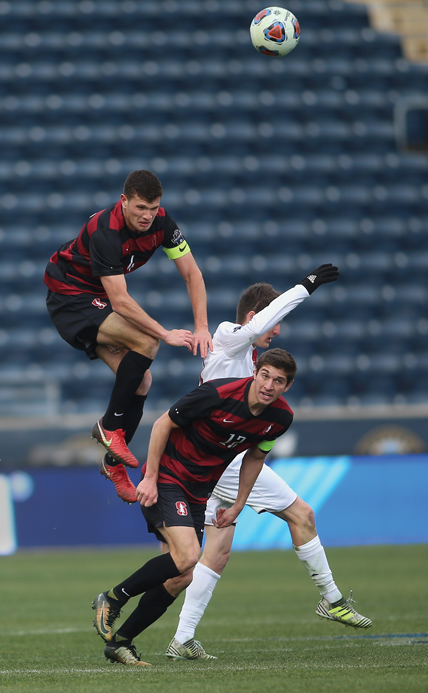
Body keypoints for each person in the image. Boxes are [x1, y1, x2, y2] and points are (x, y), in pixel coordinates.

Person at [164, 265, 372, 662]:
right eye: (271, 326)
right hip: (223, 461)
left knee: (214, 552)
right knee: (302, 514)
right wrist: (306, 287)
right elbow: (270, 317)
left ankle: (180, 637)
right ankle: (331, 598)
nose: (275, 333)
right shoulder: (228, 337)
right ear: (253, 318)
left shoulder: (249, 360)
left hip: (213, 459)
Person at [91, 348, 297, 665]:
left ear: (287, 386)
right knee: (188, 556)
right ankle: (113, 598)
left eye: (278, 381)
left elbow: (256, 457)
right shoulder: (219, 393)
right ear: (255, 372)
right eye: (265, 375)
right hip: (168, 477)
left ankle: (120, 642)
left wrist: (239, 504)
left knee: (181, 576)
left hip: (199, 493)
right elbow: (162, 424)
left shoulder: (280, 418)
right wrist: (150, 477)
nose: (269, 385)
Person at [44, 170, 212, 502]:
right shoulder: (106, 231)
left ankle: (112, 463)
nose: (147, 216)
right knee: (147, 342)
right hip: (69, 295)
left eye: (153, 208)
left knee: (141, 382)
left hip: (97, 298)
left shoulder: (163, 224)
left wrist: (202, 326)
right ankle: (109, 428)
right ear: (124, 202)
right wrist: (166, 334)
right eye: (140, 208)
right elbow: (120, 302)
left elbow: (192, 273)